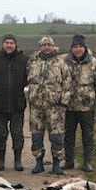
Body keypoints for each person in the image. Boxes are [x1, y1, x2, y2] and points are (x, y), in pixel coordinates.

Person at [26, 36, 71, 175]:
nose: (46, 47)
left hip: (54, 106)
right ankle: (39, 161)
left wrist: (63, 103)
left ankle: (57, 162)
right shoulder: (33, 61)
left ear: (53, 46)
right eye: (44, 45)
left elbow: (67, 84)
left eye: (49, 45)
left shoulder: (61, 62)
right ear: (40, 46)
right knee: (36, 136)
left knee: (57, 136)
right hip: (36, 106)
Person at [0, 34, 29, 171]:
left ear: (15, 44)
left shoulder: (25, 60)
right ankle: (1, 160)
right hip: (0, 104)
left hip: (18, 104)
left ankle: (18, 160)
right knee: (1, 134)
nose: (9, 45)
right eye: (6, 42)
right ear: (2, 44)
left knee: (17, 134)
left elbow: (29, 78)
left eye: (11, 43)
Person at [63, 34, 96, 172]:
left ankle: (87, 162)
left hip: (87, 107)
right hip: (69, 106)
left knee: (88, 135)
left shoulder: (93, 63)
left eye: (80, 46)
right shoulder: (64, 61)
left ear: (85, 48)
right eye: (75, 47)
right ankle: (69, 161)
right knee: (69, 135)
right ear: (72, 48)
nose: (78, 49)